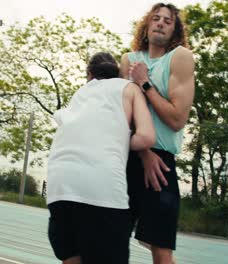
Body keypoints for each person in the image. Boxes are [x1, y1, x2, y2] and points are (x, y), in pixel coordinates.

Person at [47, 52, 156, 264]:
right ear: (117, 72)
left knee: (72, 257)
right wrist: (120, 141)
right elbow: (146, 137)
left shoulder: (80, 93)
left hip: (59, 185)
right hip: (101, 188)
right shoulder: (129, 88)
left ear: (89, 74)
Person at [119, 3, 195, 264]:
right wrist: (143, 152)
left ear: (174, 30)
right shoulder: (129, 60)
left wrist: (144, 83)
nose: (161, 23)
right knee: (113, 242)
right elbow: (122, 118)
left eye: (168, 21)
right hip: (129, 157)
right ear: (147, 24)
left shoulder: (180, 57)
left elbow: (177, 119)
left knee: (162, 253)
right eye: (156, 18)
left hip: (161, 165)